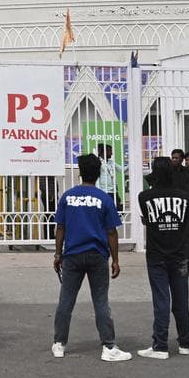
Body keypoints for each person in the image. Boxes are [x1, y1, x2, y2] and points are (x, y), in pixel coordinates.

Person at [51, 153, 131, 362]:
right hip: (97, 255)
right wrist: (115, 259)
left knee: (66, 301)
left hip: (72, 255)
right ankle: (108, 346)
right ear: (98, 173)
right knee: (101, 302)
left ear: (80, 173)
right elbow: (111, 232)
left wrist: (58, 254)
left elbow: (61, 227)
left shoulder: (68, 196)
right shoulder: (104, 198)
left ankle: (59, 343)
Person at [135, 156, 189, 359]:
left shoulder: (144, 197)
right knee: (181, 300)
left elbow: (147, 221)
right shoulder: (184, 197)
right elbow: (186, 222)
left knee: (161, 300)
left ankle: (160, 345)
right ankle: (185, 343)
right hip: (180, 255)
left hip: (156, 255)